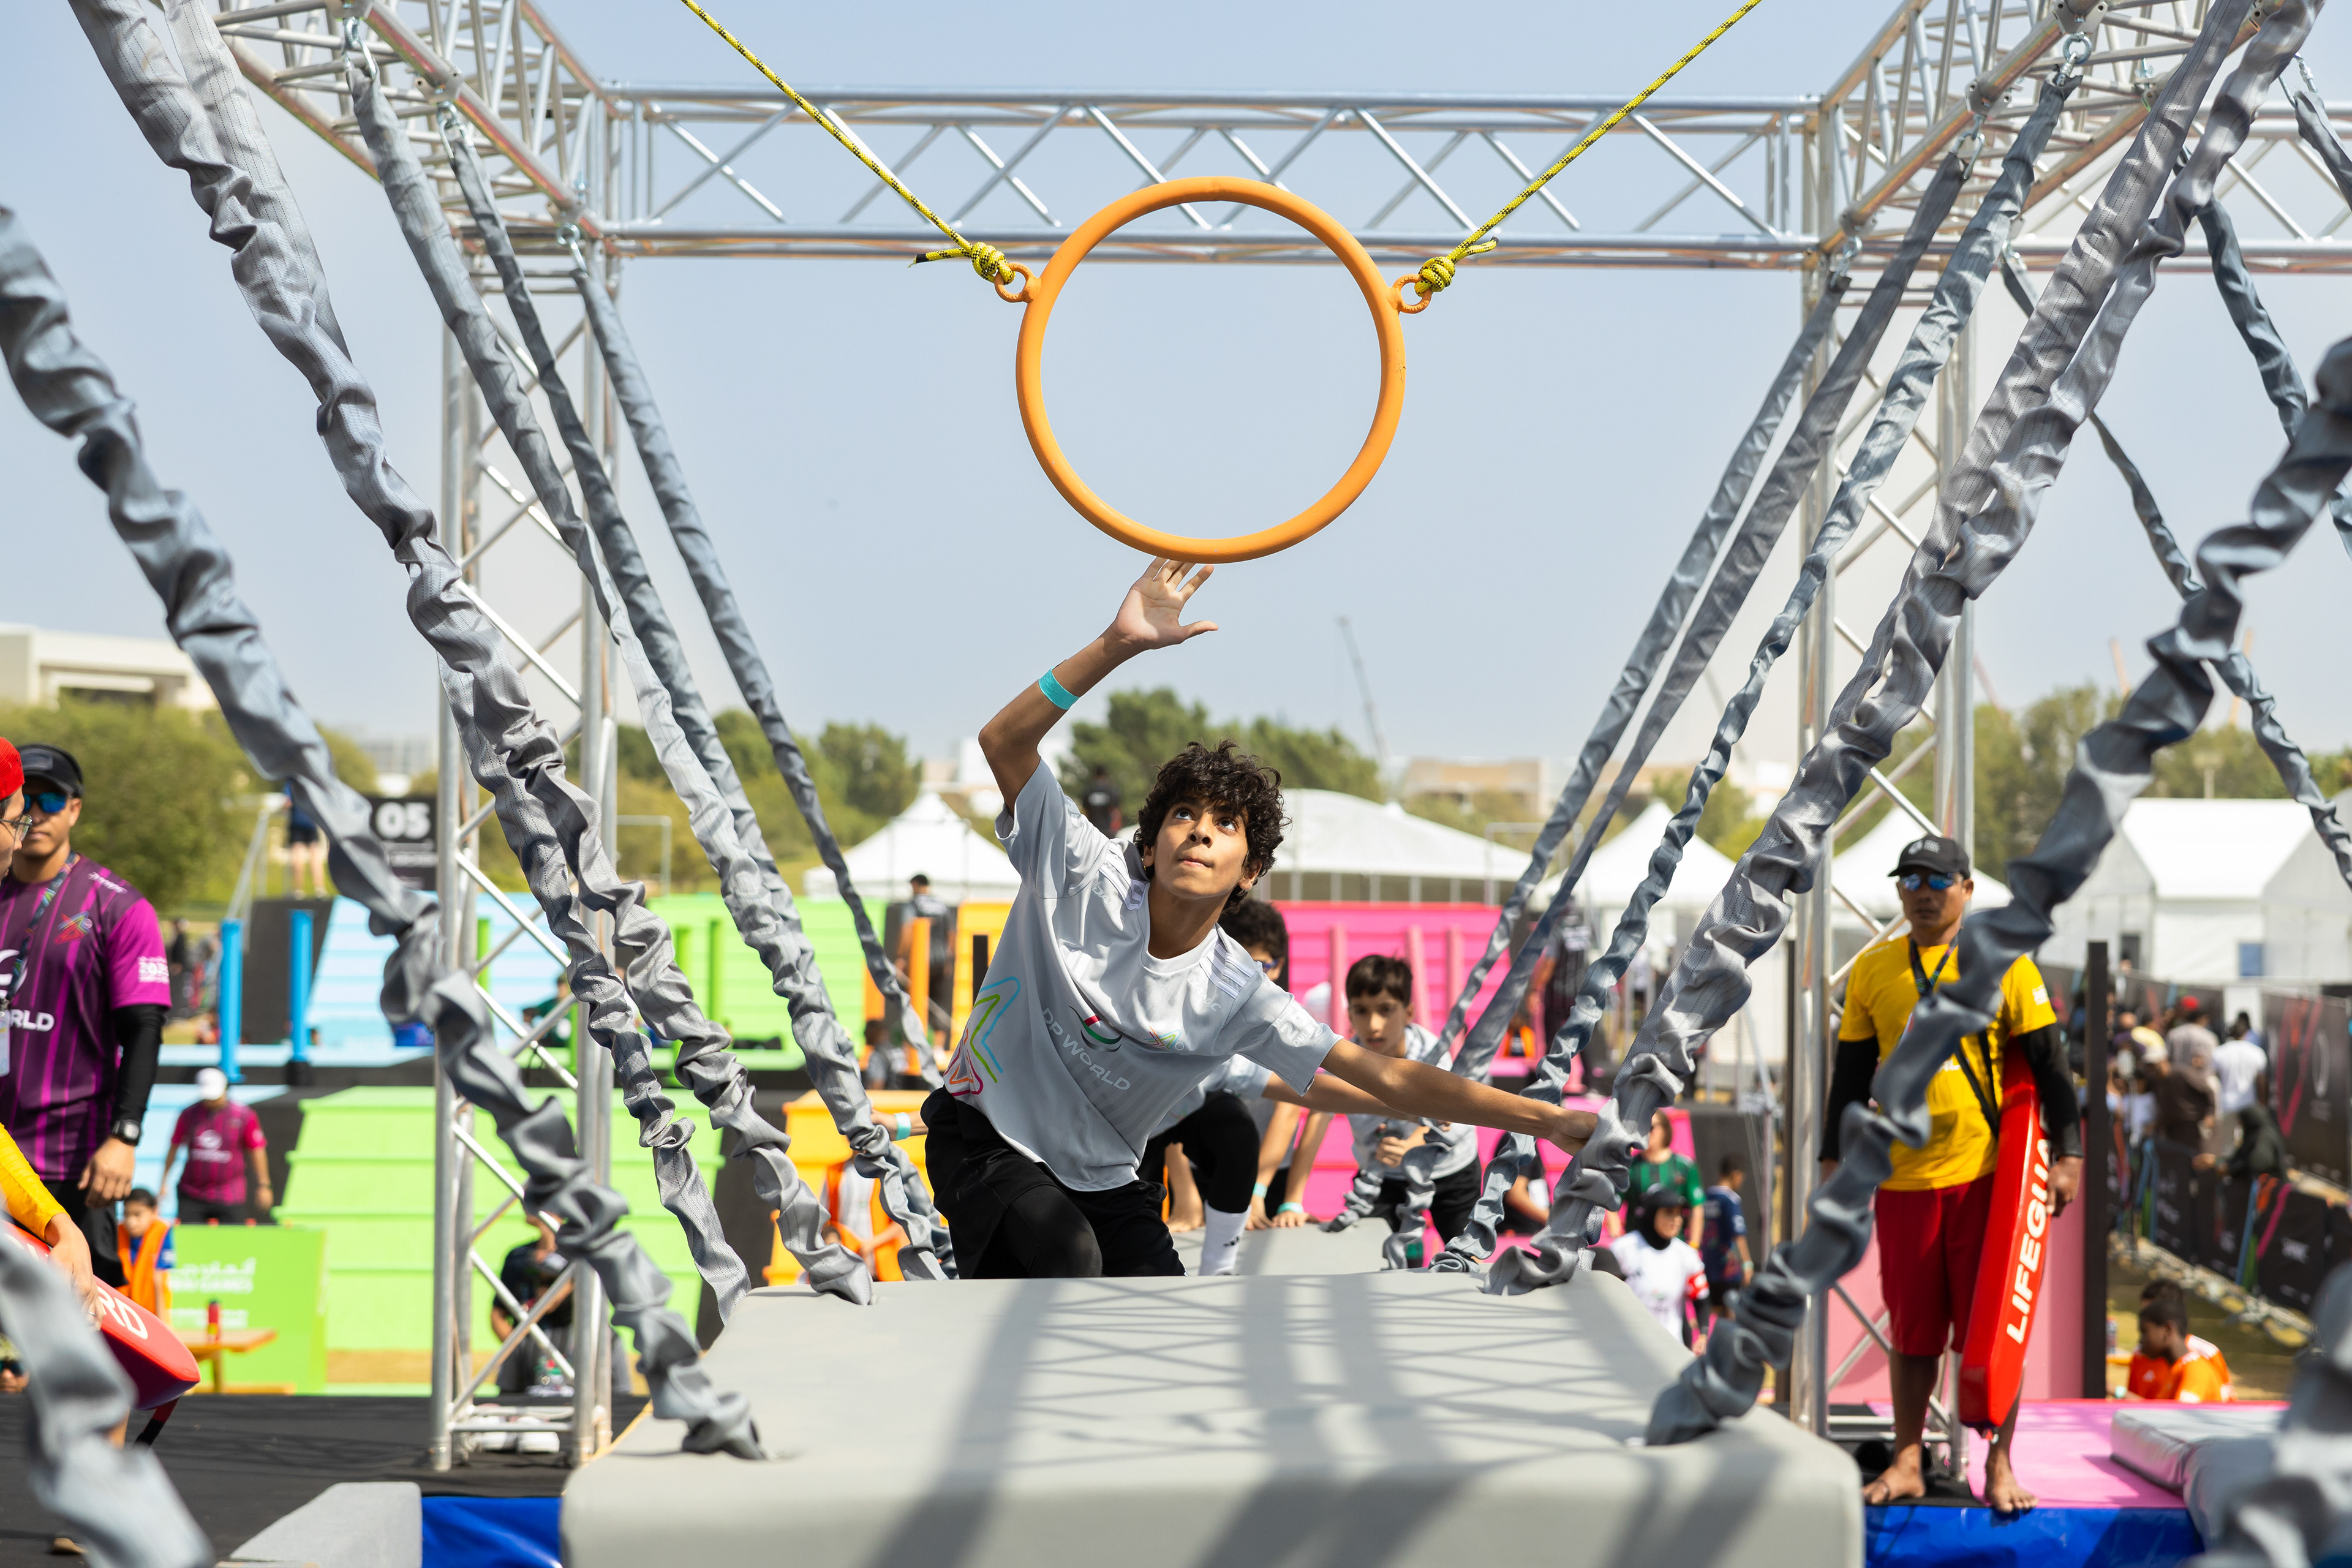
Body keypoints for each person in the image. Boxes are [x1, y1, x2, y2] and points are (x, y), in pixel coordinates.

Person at [925, 557, 1593, 1278]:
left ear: (1248, 871)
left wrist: (1548, 1118)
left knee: (1168, 1310)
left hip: (1102, 1178)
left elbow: (1387, 1077)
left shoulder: (1235, 992)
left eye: (1225, 824)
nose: (1200, 830)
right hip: (983, 1132)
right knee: (1066, 1252)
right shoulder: (1082, 870)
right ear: (1150, 845)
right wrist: (1117, 645)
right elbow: (1003, 742)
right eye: (1184, 814)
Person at [1820, 834, 2081, 1513]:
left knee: (1990, 1333)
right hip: (1902, 1183)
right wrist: (1831, 1166)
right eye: (1910, 880)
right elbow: (1849, 1079)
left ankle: (2000, 1465)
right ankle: (1908, 1460)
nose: (1923, 893)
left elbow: (2051, 1065)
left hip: (1988, 1180)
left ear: (1967, 889)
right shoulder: (1873, 969)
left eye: (1938, 881)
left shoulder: (2004, 964)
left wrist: (2070, 1155)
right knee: (1913, 1334)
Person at [0, 742, 170, 1289]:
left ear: (75, 808)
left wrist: (125, 1137)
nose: (37, 814)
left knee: (84, 1320)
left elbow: (144, 1028)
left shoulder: (117, 906)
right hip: (2, 1156)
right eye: (27, 802)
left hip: (71, 1160)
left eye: (52, 800)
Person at [1333, 955, 1482, 1250]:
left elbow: (1455, 1117)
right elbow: (1325, 1113)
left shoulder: (1433, 1055)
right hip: (1385, 1177)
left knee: (1465, 1255)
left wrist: (1412, 1143)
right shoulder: (1345, 1061)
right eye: (1361, 1011)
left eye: (1386, 1010)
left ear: (1409, 1012)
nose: (1373, 1025)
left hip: (1450, 1171)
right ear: (1349, 1014)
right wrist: (1291, 1202)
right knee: (1381, 1259)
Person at [163, 1066, 273, 1224]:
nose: (211, 1101)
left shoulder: (244, 1116)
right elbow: (174, 1147)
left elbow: (257, 1150)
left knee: (232, 1239)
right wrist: (164, 1181)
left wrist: (264, 1185)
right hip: (192, 1193)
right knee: (190, 1238)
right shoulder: (188, 1115)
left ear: (226, 1090)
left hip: (230, 1194)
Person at [1607, 1185, 1707, 1344]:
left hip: (1672, 1346)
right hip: (1629, 1344)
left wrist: (1703, 1334)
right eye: (1669, 1212)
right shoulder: (1623, 1250)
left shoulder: (1687, 1255)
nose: (1676, 1220)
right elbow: (1606, 1298)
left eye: (1679, 1213)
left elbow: (1701, 1299)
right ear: (1652, 1214)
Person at [491, 1216, 575, 1395]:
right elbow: (498, 1314)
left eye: (550, 1283)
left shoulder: (580, 1257)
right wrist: (522, 1352)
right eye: (539, 1282)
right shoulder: (518, 1257)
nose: (542, 1289)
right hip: (528, 1362)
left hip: (571, 1352)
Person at [2126, 1283, 2233, 1403]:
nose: (2141, 1341)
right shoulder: (2175, 1370)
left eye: (2145, 1331)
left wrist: (2117, 1391)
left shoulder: (2196, 1366)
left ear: (2167, 1329)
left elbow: (2181, 1412)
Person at [1626, 1109, 1705, 1253]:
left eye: (1650, 1127)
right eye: (1640, 1127)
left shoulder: (1685, 1166)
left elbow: (1697, 1208)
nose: (1644, 1132)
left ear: (1665, 1129)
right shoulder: (1629, 1167)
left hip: (1674, 1248)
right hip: (1637, 1248)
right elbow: (1613, 1205)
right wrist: (1617, 1237)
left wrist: (1694, 1245)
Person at [1700, 1155, 1752, 1319]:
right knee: (1731, 1311)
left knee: (1712, 1310)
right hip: (1728, 1269)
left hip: (1708, 1265)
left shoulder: (1706, 1197)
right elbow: (1738, 1235)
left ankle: (1706, 1335)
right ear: (1736, 1174)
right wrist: (1747, 1264)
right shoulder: (1731, 1200)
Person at [117, 1187, 173, 1317]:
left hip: (151, 1314)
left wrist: (161, 1322)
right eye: (126, 1214)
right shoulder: (116, 1233)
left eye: (137, 1215)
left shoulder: (162, 1232)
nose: (131, 1222)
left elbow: (159, 1279)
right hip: (121, 1312)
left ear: (154, 1212)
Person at [283, 777, 328, 899]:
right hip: (311, 823)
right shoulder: (311, 781)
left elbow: (288, 803)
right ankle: (320, 889)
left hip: (298, 823)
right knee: (315, 857)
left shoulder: (291, 783)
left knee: (298, 857)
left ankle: (298, 890)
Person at [2211, 1027, 2267, 1120]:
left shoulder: (2219, 1052)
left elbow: (2214, 1079)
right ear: (2246, 1034)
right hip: (2249, 1104)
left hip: (2226, 1105)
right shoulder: (2257, 1052)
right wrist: (2263, 1103)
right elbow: (2261, 1081)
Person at [1080, 764, 1123, 837]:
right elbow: (1116, 813)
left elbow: (1085, 812)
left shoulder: (1088, 791)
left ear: (1094, 776)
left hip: (1092, 831)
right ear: (1106, 775)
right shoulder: (1111, 791)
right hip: (1108, 831)